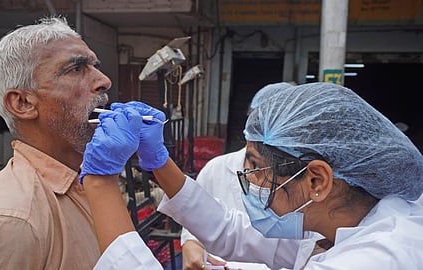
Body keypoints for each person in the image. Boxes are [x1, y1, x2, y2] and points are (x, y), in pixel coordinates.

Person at [81, 82, 423, 269]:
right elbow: (230, 230)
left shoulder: (376, 259)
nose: (248, 182)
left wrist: (99, 181)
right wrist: (159, 161)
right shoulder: (344, 224)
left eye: (257, 169)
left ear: (317, 180)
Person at [0, 16, 112, 269]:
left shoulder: (86, 180)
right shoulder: (11, 223)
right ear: (22, 103)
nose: (104, 81)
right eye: (76, 69)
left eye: (95, 66)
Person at [181, 82, 296, 270]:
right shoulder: (216, 169)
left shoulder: (301, 180)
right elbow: (195, 220)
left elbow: (297, 249)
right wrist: (191, 243)